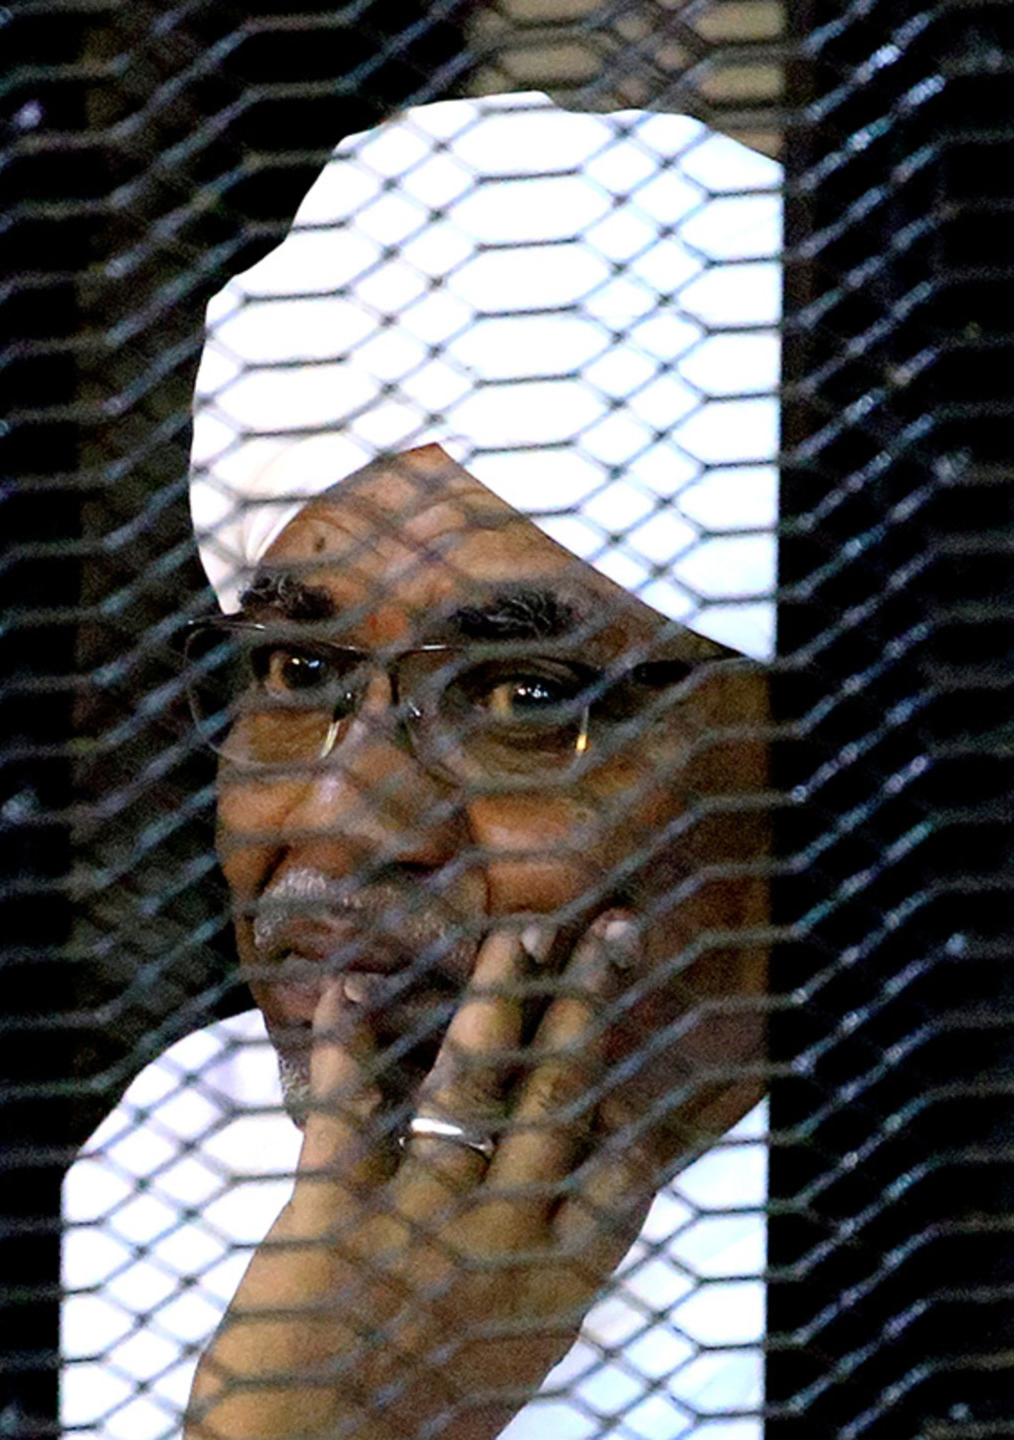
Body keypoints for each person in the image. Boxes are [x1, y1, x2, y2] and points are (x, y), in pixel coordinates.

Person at [63, 93, 781, 1440]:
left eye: (524, 696)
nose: (340, 824)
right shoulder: (163, 1173)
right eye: (297, 675)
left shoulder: (925, 1284)